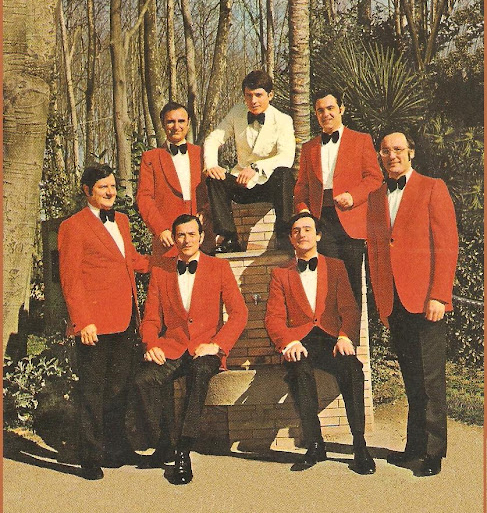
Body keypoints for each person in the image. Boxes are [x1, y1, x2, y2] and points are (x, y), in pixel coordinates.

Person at [367, 132, 458, 477]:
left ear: (411, 153)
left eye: (398, 149)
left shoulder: (433, 188)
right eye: (385, 151)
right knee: (411, 378)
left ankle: (432, 453)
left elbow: (446, 245)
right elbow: (376, 252)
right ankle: (415, 448)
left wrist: (440, 295)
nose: (392, 155)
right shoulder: (376, 197)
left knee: (430, 380)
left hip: (425, 300)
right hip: (395, 302)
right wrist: (382, 304)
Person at [134, 214, 248, 484]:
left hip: (205, 349)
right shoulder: (161, 271)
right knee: (143, 381)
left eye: (192, 234)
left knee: (198, 376)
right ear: (174, 239)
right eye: (181, 235)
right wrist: (151, 344)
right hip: (172, 347)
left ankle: (183, 451)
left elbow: (239, 313)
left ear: (201, 237)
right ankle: (165, 443)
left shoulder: (219, 268)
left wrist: (217, 345)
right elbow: (151, 319)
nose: (186, 240)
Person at [58, 164, 150, 480]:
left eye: (112, 186)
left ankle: (116, 449)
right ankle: (89, 456)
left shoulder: (121, 220)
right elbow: (70, 279)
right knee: (92, 392)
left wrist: (165, 261)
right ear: (87, 191)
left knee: (119, 388)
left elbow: (131, 260)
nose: (110, 192)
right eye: (102, 187)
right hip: (93, 325)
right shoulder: (73, 226)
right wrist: (83, 321)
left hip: (124, 319)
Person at [265, 212, 376, 475]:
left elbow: (349, 308)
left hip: (331, 339)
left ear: (318, 236)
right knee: (299, 371)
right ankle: (315, 444)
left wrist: (345, 336)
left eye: (307, 229)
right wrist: (288, 343)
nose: (302, 234)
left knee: (352, 369)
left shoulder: (336, 267)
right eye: (296, 231)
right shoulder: (280, 274)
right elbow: (273, 318)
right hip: (300, 341)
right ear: (291, 239)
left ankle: (359, 445)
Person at [294, 90, 382, 304]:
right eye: (320, 110)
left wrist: (353, 196)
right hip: (321, 221)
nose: (326, 114)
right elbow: (302, 187)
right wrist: (304, 212)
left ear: (341, 109)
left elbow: (375, 178)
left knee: (351, 285)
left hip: (350, 220)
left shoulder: (361, 140)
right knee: (326, 282)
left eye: (330, 108)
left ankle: (351, 327)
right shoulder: (308, 148)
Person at [204, 69, 295, 253]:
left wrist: (256, 167)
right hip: (241, 185)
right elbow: (213, 139)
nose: (253, 101)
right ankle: (229, 238)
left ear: (270, 95)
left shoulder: (283, 120)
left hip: (268, 185)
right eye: (249, 95)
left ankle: (284, 234)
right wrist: (212, 165)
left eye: (258, 95)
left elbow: (286, 157)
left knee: (285, 174)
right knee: (214, 178)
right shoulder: (237, 112)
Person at [137, 102, 209, 262]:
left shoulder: (202, 154)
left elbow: (212, 191)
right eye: (170, 122)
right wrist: (160, 229)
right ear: (163, 124)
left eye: (181, 121)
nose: (176, 127)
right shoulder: (151, 158)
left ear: (188, 123)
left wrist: (205, 213)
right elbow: (144, 198)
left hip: (202, 237)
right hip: (168, 238)